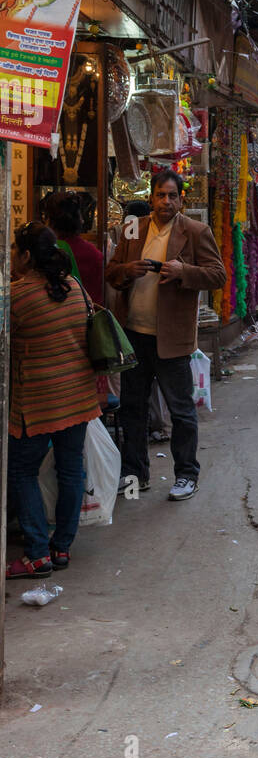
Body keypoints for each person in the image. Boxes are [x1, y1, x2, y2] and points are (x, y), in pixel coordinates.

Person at [106, 168, 227, 500]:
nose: (166, 201)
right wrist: (127, 270)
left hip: (171, 337)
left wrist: (183, 271)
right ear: (151, 198)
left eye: (172, 195)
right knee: (132, 408)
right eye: (160, 195)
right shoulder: (134, 229)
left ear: (181, 199)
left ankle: (187, 474)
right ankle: (135, 474)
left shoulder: (195, 231)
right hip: (134, 334)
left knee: (181, 410)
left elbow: (218, 275)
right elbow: (112, 271)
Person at [6, 223, 102, 578]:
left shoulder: (17, 297)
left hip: (38, 402)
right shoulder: (73, 287)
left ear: (27, 256)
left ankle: (36, 553)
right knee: (71, 468)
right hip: (77, 398)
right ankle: (61, 547)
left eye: (16, 250)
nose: (13, 256)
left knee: (22, 471)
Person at [43, 190, 104, 304]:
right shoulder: (94, 254)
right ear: (80, 219)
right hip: (83, 317)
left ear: (49, 220)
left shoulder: (44, 251)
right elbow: (97, 300)